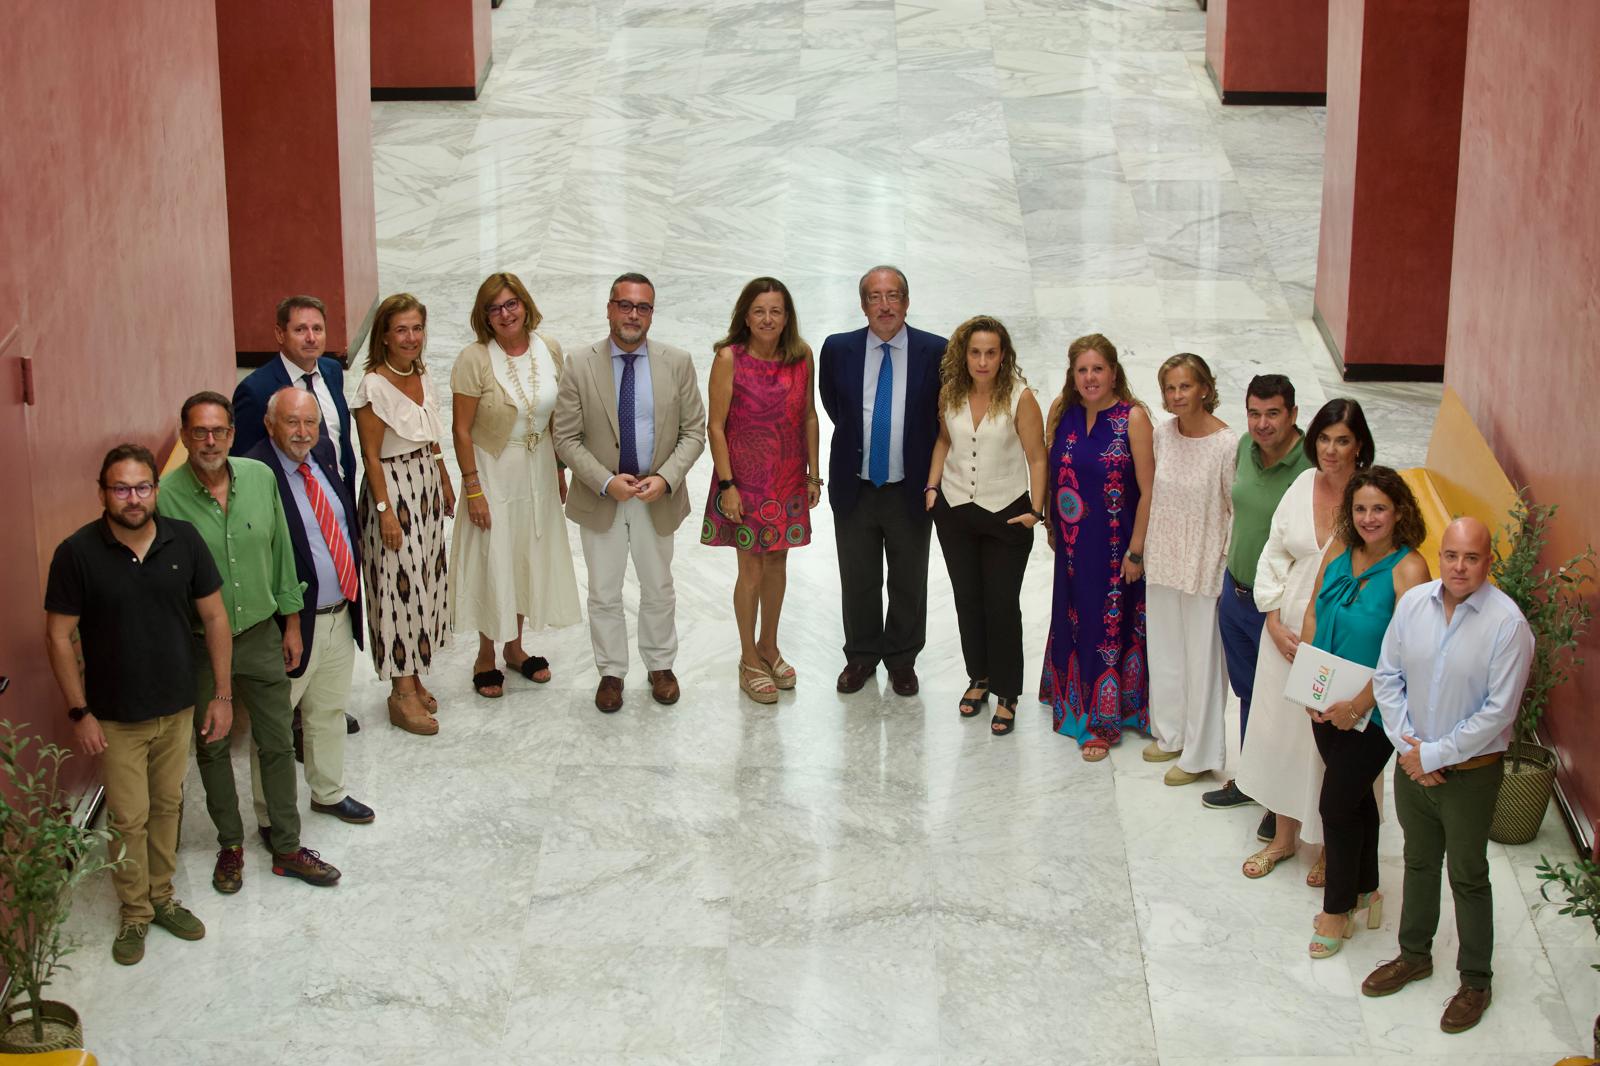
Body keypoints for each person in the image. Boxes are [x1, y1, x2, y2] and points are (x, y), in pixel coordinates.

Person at [44, 444, 232, 964]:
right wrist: (79, 711)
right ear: (103, 492)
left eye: (142, 487)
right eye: (121, 488)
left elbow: (215, 618)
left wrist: (221, 694)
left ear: (155, 488)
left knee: (168, 806)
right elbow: (58, 636)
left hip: (177, 708)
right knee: (129, 817)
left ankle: (163, 896)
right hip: (115, 716)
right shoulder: (77, 553)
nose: (133, 498)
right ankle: (135, 914)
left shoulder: (184, 540)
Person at [158, 392, 341, 892]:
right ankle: (230, 846)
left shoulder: (260, 479)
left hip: (262, 635)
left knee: (279, 741)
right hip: (199, 645)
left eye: (219, 431)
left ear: (233, 434)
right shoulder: (165, 498)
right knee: (213, 748)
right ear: (184, 435)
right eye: (200, 432)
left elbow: (283, 549)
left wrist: (293, 624)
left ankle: (286, 846)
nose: (211, 441)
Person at [1363, 517, 1534, 1034]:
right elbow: (1387, 676)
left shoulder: (1508, 625)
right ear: (1441, 556)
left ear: (1488, 561)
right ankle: (1414, 954)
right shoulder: (1414, 604)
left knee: (1467, 875)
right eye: (1452, 556)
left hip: (1469, 775)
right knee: (1417, 862)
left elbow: (1498, 713)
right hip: (1412, 761)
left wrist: (1433, 755)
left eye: (1473, 558)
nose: (1460, 567)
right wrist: (1409, 748)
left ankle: (1476, 981)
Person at [552, 272, 707, 713]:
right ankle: (611, 672)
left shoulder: (677, 361)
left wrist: (666, 478)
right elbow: (565, 437)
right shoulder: (580, 364)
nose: (633, 315)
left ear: (652, 313)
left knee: (658, 585)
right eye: (625, 305)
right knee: (603, 590)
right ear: (609, 308)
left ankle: (660, 665)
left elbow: (694, 431)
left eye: (642, 307)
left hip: (655, 495)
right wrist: (604, 480)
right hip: (601, 495)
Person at [1236, 398, 1372, 881]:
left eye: (1342, 440)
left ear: (1360, 447)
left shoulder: (1370, 496)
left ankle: (1334, 847)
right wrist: (1272, 618)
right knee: (1282, 736)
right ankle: (1284, 838)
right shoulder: (1300, 485)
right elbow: (1274, 551)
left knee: (1332, 743)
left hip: (1342, 639)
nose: (1331, 450)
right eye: (1324, 439)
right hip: (1287, 636)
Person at [1300, 466, 1430, 959]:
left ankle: (1336, 910)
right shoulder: (1338, 549)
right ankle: (1367, 890)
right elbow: (1314, 610)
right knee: (1354, 801)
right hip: (1325, 700)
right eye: (1360, 508)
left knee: (1335, 803)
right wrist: (1312, 684)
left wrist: (1357, 706)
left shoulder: (1410, 569)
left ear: (1399, 511)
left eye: (1379, 508)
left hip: (1376, 711)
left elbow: (1407, 656)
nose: (1369, 518)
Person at [242, 388, 374, 826]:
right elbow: (258, 556)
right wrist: (286, 623)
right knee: (275, 729)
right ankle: (271, 816)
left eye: (310, 423)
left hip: (338, 612)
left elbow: (339, 523)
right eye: (292, 423)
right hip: (292, 627)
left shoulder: (323, 453)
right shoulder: (254, 472)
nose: (303, 433)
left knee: (328, 713)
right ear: (269, 424)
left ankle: (328, 792)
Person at [449, 272, 581, 699]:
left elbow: (558, 418)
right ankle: (485, 653)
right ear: (484, 316)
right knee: (496, 555)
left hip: (538, 466)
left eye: (511, 304)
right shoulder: (475, 358)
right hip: (493, 467)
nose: (505, 314)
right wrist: (473, 488)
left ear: (525, 305)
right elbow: (461, 429)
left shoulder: (551, 349)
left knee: (526, 552)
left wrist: (559, 469)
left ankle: (515, 648)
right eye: (494, 308)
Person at [817, 265, 945, 696]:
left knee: (909, 579)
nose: (885, 305)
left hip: (909, 488)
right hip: (855, 485)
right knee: (858, 578)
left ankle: (902, 659)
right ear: (863, 304)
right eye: (875, 297)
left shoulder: (936, 351)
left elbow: (939, 417)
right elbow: (836, 407)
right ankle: (861, 656)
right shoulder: (838, 349)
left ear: (907, 303)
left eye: (893, 296)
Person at [923, 315, 1046, 735]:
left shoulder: (1019, 397)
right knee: (967, 600)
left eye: (990, 353)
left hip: (1007, 514)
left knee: (1001, 604)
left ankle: (1008, 692)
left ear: (1002, 355)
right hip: (955, 510)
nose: (982, 361)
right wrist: (932, 486)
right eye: (975, 352)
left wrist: (1037, 509)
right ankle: (979, 677)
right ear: (964, 354)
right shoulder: (951, 393)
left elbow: (1038, 457)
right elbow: (943, 440)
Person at [701, 277, 821, 703]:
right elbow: (715, 425)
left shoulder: (802, 355)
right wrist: (728, 484)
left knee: (778, 567)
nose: (768, 319)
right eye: (759, 311)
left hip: (788, 478)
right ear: (746, 317)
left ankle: (770, 645)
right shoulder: (728, 358)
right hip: (745, 481)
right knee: (750, 570)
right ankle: (748, 657)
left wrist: (813, 474)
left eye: (776, 311)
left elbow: (809, 416)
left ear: (787, 316)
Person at [1201, 374, 1312, 819]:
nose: (1262, 424)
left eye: (1272, 414)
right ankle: (1252, 780)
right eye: (1254, 413)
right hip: (1236, 592)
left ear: (1293, 415)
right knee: (1248, 693)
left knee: (1283, 704)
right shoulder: (1244, 447)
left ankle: (1281, 800)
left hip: (1279, 608)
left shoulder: (1308, 468)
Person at [1040, 333, 1154, 761]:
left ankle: (1101, 721)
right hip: (1071, 546)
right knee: (1073, 618)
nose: (1090, 377)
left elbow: (1148, 490)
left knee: (1105, 629)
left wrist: (1136, 550)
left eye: (1098, 369)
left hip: (1114, 550)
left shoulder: (1133, 418)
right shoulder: (1062, 411)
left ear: (1113, 372)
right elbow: (1055, 474)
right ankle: (1070, 697)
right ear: (1072, 374)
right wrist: (1052, 524)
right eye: (1082, 370)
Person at [351, 293, 454, 736]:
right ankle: (399, 690)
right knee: (397, 590)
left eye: (417, 329)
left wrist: (445, 477)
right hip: (391, 491)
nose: (411, 338)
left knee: (426, 582)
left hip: (425, 488)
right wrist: (384, 512)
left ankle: (414, 673)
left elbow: (429, 435)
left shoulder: (422, 373)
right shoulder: (373, 386)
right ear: (385, 337)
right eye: (401, 330)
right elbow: (370, 457)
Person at [1142, 353, 1236, 783]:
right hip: (1163, 560)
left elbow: (1235, 510)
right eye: (1169, 388)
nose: (1177, 395)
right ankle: (1171, 733)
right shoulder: (1163, 435)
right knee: (1166, 654)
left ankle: (1199, 754)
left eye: (1185, 386)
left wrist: (1222, 564)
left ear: (1204, 388)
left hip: (1202, 566)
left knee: (1202, 663)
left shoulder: (1227, 444)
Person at [233, 295, 358, 500]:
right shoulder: (256, 390)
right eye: (300, 330)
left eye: (317, 329)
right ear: (280, 334)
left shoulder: (332, 371)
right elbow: (244, 465)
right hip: (292, 504)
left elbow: (340, 440)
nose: (311, 338)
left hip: (339, 495)